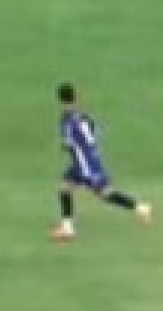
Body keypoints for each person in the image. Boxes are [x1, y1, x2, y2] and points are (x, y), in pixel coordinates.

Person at [51, 83, 154, 242]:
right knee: (64, 189)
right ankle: (67, 228)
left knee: (105, 194)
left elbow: (68, 143)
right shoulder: (85, 116)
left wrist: (66, 145)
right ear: (76, 97)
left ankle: (141, 208)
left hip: (85, 165)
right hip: (85, 160)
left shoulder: (67, 120)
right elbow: (93, 134)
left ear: (59, 100)